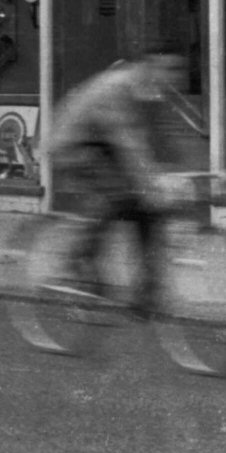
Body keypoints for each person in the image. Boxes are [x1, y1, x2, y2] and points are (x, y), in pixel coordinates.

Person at [49, 51, 196, 317]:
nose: (176, 76)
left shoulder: (152, 92)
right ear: (148, 67)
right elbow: (128, 143)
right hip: (74, 144)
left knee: (149, 210)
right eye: (170, 68)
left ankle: (147, 292)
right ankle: (77, 259)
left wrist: (178, 175)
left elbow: (159, 140)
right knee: (116, 196)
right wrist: (153, 182)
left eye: (179, 70)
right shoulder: (115, 88)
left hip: (105, 146)